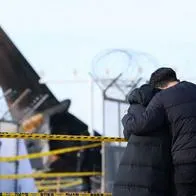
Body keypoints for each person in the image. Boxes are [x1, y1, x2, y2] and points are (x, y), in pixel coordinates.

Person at [122, 67, 196, 196]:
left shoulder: (163, 97)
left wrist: (126, 118)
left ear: (159, 87)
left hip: (185, 163)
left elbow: (140, 125)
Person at [112, 84, 172, 196]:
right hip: (151, 179)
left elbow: (127, 135)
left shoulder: (134, 108)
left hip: (125, 178)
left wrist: (125, 117)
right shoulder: (163, 109)